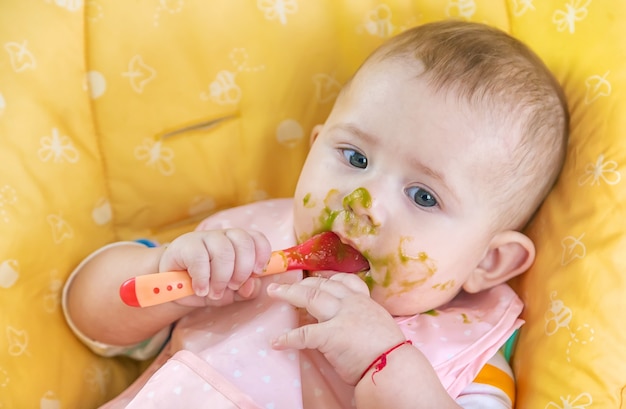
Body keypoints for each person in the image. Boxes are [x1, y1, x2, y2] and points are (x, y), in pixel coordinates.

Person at [63, 20, 569, 408]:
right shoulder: (244, 246)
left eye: (423, 196)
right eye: (355, 159)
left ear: (490, 261)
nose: (362, 205)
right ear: (315, 147)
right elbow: (88, 314)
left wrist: (383, 366)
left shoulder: (466, 357)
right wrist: (168, 275)